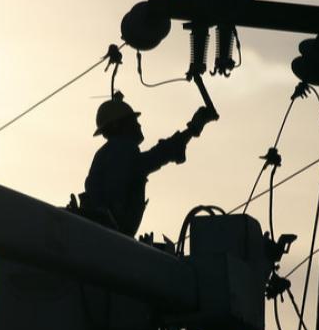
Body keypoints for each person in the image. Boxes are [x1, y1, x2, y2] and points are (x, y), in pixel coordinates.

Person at [79, 92, 217, 236]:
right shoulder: (120, 149)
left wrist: (190, 131)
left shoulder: (109, 153)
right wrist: (192, 129)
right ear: (117, 126)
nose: (138, 124)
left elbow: (154, 157)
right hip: (111, 234)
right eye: (132, 121)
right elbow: (155, 157)